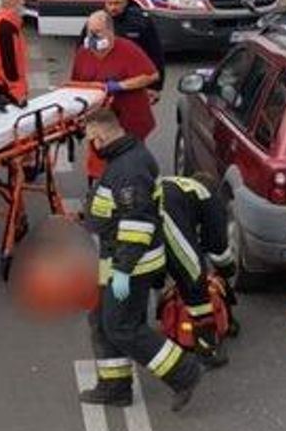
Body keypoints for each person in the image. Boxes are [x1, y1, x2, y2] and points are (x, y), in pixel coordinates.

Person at [79, 109, 203, 410]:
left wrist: (122, 271)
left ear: (101, 135)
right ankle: (115, 385)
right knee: (100, 318)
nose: (90, 145)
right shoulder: (126, 157)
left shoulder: (128, 169)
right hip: (112, 256)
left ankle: (184, 373)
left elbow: (138, 225)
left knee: (124, 326)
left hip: (131, 263)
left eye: (90, 139)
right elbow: (118, 211)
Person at [70, 10, 159, 182]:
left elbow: (151, 75)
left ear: (110, 32)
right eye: (90, 33)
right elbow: (75, 83)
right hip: (98, 119)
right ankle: (98, 191)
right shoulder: (83, 53)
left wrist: (120, 86)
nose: (92, 37)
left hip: (128, 120)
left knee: (128, 164)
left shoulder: (128, 49)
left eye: (97, 33)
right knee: (98, 161)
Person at [160, 174, 234, 367]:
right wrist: (227, 269)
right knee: (194, 277)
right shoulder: (210, 198)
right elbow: (218, 246)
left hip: (140, 213)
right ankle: (207, 349)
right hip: (163, 215)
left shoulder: (178, 185)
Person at [98, 0, 166, 95]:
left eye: (117, 3)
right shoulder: (97, 21)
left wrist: (155, 88)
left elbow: (156, 55)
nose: (113, 7)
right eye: (109, 3)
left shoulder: (140, 22)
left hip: (135, 82)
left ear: (125, 1)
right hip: (105, 83)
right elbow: (83, 53)